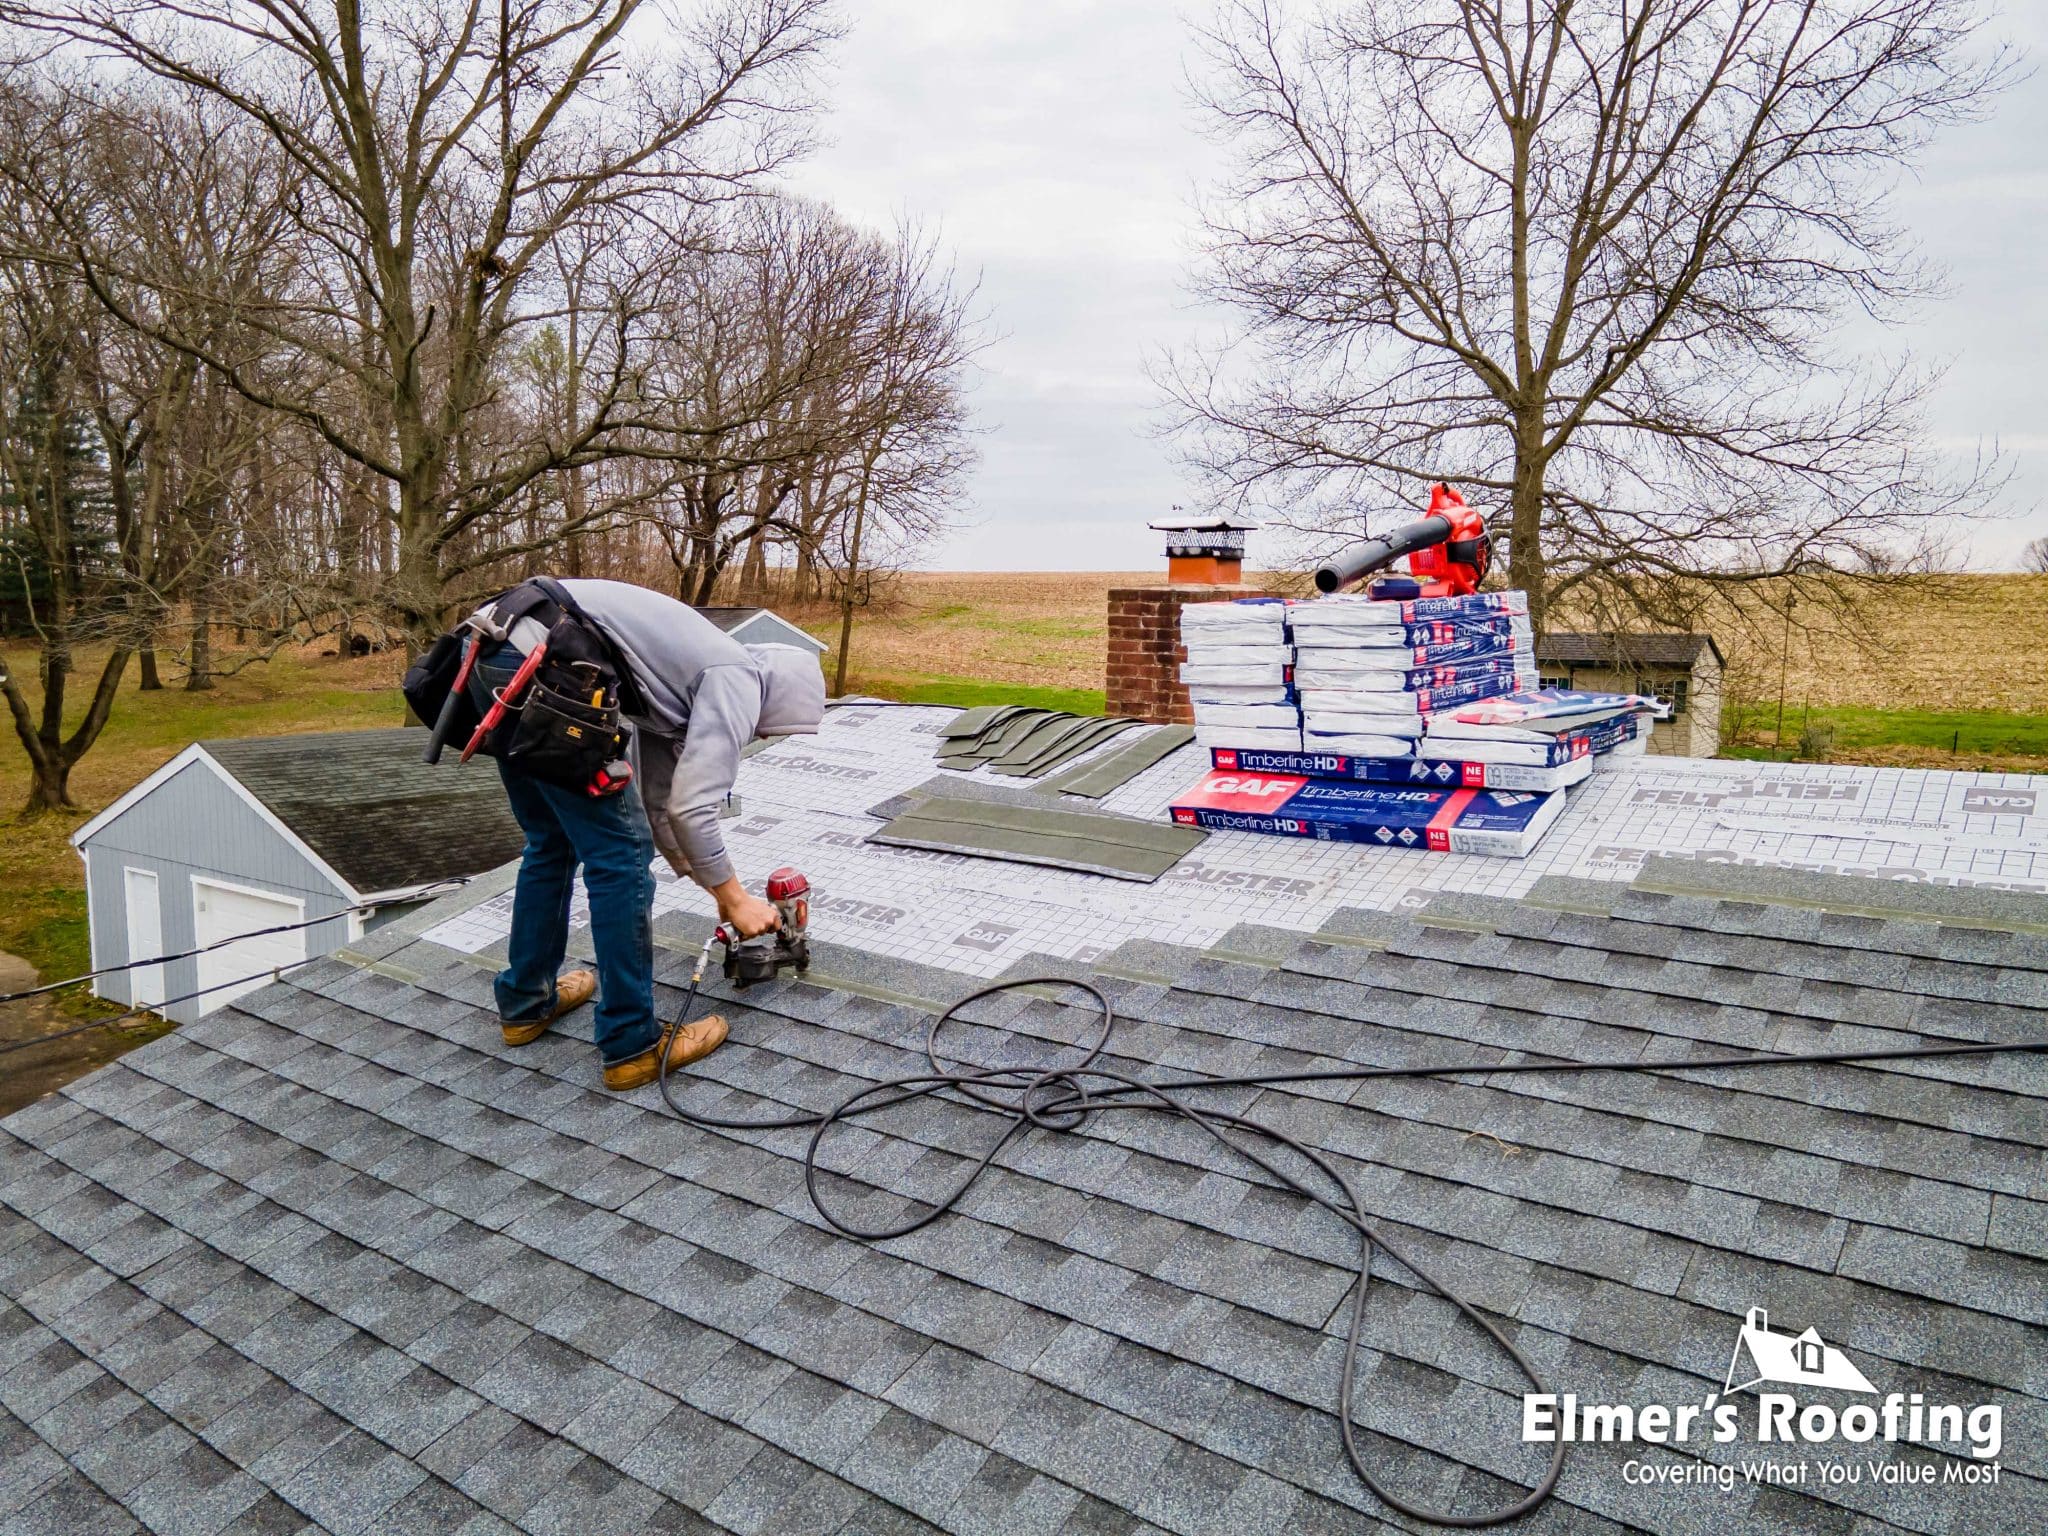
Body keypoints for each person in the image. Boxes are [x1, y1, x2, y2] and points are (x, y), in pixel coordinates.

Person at [464, 579, 825, 1091]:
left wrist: (716, 891)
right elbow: (692, 807)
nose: (758, 735)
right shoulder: (739, 679)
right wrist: (736, 898)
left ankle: (525, 1003)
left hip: (493, 647)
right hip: (546, 660)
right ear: (778, 702)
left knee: (552, 840)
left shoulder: (679, 677)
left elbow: (663, 799)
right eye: (768, 730)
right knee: (622, 856)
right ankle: (631, 1042)